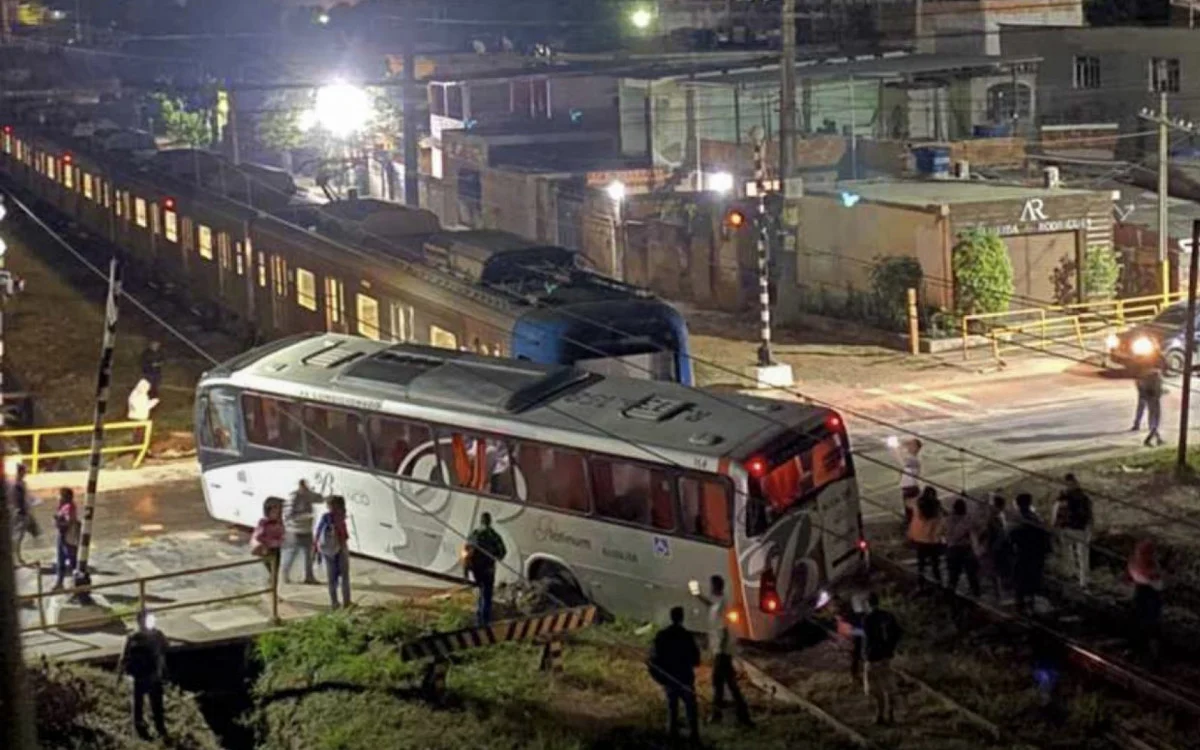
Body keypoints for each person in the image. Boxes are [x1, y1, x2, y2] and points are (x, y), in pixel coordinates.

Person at [696, 574, 752, 727]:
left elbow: (723, 631)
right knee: (725, 684)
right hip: (722, 653)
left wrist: (719, 654)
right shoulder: (719, 603)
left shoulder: (722, 606)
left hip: (723, 654)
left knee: (721, 683)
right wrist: (698, 596)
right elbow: (711, 607)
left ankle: (726, 715)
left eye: (711, 585)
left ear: (715, 587)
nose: (710, 588)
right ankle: (738, 716)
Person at [648, 606, 701, 743]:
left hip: (670, 677)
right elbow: (696, 658)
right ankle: (694, 733)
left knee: (672, 706)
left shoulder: (662, 635)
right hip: (685, 678)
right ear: (682, 618)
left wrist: (660, 676)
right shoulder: (686, 635)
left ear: (671, 617)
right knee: (691, 706)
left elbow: (653, 658)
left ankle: (672, 732)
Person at [115, 609, 170, 741]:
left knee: (146, 703)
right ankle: (152, 728)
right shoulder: (153, 635)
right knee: (148, 704)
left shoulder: (137, 636)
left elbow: (124, 657)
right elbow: (164, 651)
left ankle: (150, 727)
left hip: (145, 675)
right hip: (146, 675)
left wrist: (119, 675)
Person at [855, 593, 903, 725]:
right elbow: (898, 632)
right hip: (886, 657)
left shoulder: (867, 619)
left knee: (874, 689)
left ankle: (880, 716)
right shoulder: (887, 616)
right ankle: (891, 714)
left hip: (872, 657)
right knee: (888, 686)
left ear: (868, 604)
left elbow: (865, 636)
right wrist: (890, 648)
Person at [1009, 493, 1051, 616]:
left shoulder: (1017, 521)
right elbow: (1045, 537)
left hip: (1022, 555)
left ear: (1017, 505)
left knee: (1020, 584)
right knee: (1033, 583)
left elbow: (1010, 539)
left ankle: (1021, 610)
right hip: (1035, 556)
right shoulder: (1036, 519)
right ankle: (1031, 608)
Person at [465, 511, 507, 626]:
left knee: (480, 590)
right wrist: (494, 558)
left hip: (476, 568)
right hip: (488, 568)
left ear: (481, 520)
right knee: (487, 593)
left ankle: (478, 618)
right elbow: (502, 552)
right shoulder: (494, 535)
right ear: (490, 521)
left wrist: (467, 569)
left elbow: (466, 551)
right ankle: (484, 621)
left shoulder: (474, 533)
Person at [1051, 473, 1094, 589]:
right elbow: (1090, 514)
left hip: (1070, 529)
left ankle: (1074, 576)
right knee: (1082, 556)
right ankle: (1082, 581)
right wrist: (1090, 528)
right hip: (1078, 529)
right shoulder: (1082, 497)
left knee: (1070, 555)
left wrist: (1054, 528)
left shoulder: (1062, 498)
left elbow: (1056, 514)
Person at [1128, 538, 1164, 665]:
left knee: (1144, 625)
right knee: (1149, 625)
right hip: (1149, 595)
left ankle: (1144, 653)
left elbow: (1136, 573)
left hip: (1145, 594)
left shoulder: (1140, 567)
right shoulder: (1151, 568)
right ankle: (1149, 654)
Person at [314, 495, 352, 609]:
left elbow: (318, 533)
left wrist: (316, 550)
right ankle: (347, 602)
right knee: (344, 577)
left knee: (331, 578)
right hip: (341, 548)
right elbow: (344, 536)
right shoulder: (341, 517)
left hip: (327, 551)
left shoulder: (326, 517)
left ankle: (334, 603)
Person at [282, 480, 319, 585]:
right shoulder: (293, 497)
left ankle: (309, 576)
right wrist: (303, 517)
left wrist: (312, 494)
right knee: (292, 554)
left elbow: (319, 499)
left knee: (309, 555)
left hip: (307, 530)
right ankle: (285, 575)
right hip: (295, 531)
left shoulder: (308, 495)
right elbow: (288, 515)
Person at [944, 497, 981, 600]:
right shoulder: (966, 520)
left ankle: (949, 598)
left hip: (951, 549)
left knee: (953, 576)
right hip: (964, 549)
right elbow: (976, 527)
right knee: (971, 574)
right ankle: (976, 596)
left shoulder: (948, 519)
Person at [907, 486, 944, 590]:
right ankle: (939, 583)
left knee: (921, 564)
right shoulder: (937, 508)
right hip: (933, 540)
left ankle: (921, 584)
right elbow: (940, 524)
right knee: (935, 565)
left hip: (920, 539)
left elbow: (908, 503)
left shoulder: (918, 505)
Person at [250, 497, 285, 585]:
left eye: (279, 510)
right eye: (274, 511)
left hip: (277, 549)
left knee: (275, 573)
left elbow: (282, 534)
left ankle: (273, 591)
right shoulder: (264, 522)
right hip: (267, 550)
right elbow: (258, 536)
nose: (277, 513)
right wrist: (269, 543)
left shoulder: (280, 522)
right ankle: (272, 591)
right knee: (273, 572)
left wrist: (281, 540)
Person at [52, 487, 80, 590]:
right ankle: (60, 582)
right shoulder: (64, 506)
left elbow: (69, 520)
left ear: (64, 496)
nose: (58, 497)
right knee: (61, 559)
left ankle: (77, 582)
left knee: (71, 559)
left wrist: (60, 521)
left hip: (67, 536)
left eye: (59, 495)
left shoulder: (69, 506)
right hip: (62, 535)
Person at [890, 438, 923, 525]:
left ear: (916, 448)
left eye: (911, 445)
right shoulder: (912, 459)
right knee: (910, 513)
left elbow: (901, 462)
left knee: (912, 514)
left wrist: (896, 448)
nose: (909, 446)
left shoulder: (914, 460)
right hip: (908, 488)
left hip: (911, 488)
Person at [10, 463, 38, 565]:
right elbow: (18, 500)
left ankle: (17, 557)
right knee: (18, 536)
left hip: (23, 513)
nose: (25, 473)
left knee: (19, 536)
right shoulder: (17, 485)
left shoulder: (20, 483)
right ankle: (16, 558)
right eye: (24, 471)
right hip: (21, 514)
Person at [1141, 365, 1165, 447]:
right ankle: (1148, 439)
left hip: (1152, 400)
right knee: (1156, 420)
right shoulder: (1155, 376)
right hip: (1154, 400)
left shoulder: (1148, 377)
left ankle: (1158, 439)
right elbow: (1156, 389)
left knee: (1153, 419)